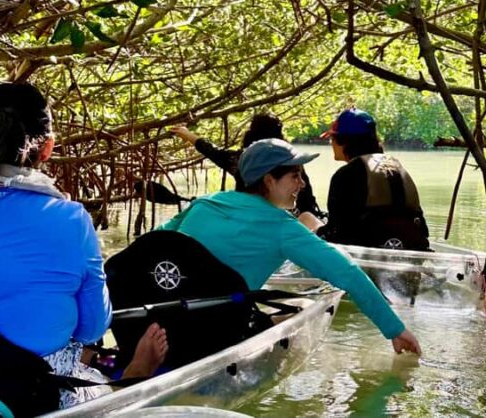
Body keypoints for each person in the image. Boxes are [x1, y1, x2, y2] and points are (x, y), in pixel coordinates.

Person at [0, 83, 164, 411]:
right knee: (85, 367)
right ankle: (132, 375)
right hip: (25, 398)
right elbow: (93, 326)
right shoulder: (72, 219)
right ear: (48, 148)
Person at [156, 138, 422, 355]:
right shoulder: (282, 226)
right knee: (302, 306)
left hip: (164, 322)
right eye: (295, 176)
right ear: (269, 180)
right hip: (215, 332)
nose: (302, 184)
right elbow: (348, 274)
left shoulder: (204, 202)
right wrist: (395, 330)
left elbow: (153, 240)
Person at [302, 108, 430, 251]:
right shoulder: (397, 167)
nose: (331, 143)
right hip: (409, 246)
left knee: (306, 217)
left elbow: (336, 233)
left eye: (332, 138)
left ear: (343, 141)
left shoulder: (345, 175)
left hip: (363, 251)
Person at [170, 112, 324, 218]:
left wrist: (188, 134)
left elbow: (212, 151)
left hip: (250, 216)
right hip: (294, 218)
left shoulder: (241, 160)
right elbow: (307, 201)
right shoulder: (289, 161)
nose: (300, 183)